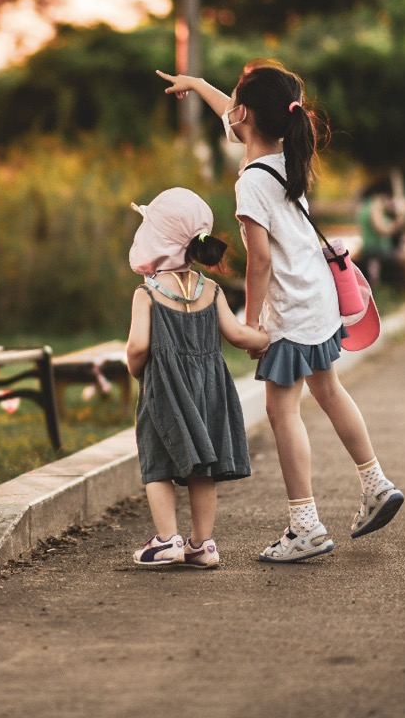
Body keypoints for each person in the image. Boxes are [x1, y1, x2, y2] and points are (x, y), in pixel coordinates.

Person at [157, 61, 404, 563]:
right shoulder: (288, 158)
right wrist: (199, 85)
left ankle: (305, 526)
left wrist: (251, 325)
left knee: (281, 411)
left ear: (244, 115)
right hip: (318, 300)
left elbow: (260, 261)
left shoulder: (251, 180)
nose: (229, 110)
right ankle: (376, 483)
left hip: (288, 311)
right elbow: (234, 112)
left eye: (234, 104)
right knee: (330, 391)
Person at [125, 188, 269, 569]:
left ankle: (166, 540)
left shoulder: (147, 294)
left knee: (158, 462)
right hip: (208, 392)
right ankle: (202, 545)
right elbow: (236, 335)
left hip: (164, 391)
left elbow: (138, 346)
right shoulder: (211, 290)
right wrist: (265, 340)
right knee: (202, 467)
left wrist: (135, 369)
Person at [356, 177, 405, 294]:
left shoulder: (365, 205)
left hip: (368, 248)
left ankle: (401, 290)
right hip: (377, 249)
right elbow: (381, 229)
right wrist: (398, 223)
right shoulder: (375, 205)